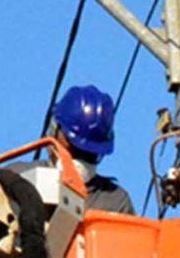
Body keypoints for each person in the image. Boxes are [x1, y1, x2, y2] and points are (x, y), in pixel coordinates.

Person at [47, 84, 136, 215]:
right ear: (55, 132)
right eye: (73, 150)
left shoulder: (116, 202)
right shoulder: (19, 179)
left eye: (88, 155)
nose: (78, 163)